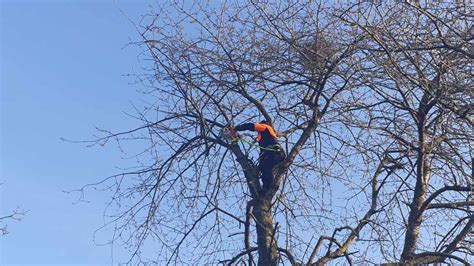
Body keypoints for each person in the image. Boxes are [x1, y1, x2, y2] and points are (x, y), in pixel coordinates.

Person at [232, 120, 286, 191]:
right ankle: (265, 190)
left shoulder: (264, 126)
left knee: (267, 172)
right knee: (265, 173)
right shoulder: (266, 136)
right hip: (273, 155)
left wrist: (236, 128)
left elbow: (251, 126)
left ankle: (267, 189)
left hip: (274, 153)